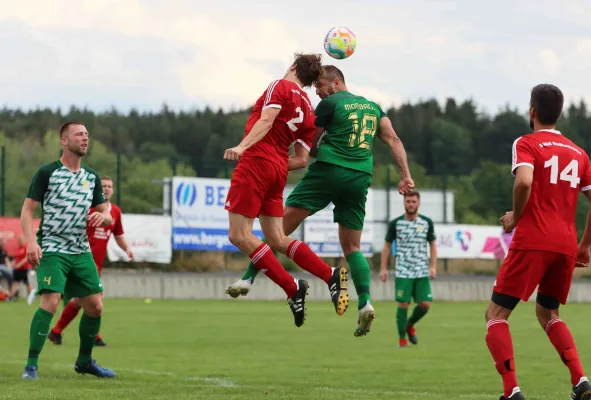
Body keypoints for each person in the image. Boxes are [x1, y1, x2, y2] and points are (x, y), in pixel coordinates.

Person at [225, 65, 414, 336]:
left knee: (280, 230)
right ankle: (366, 304)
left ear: (336, 83)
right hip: (360, 176)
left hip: (328, 171)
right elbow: (393, 139)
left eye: (321, 88)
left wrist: (277, 155)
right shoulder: (374, 107)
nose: (319, 94)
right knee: (352, 247)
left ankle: (249, 278)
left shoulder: (330, 104)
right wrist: (405, 176)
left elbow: (310, 147)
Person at [223, 53, 348, 328]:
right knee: (277, 237)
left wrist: (243, 148)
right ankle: (329, 274)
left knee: (238, 234)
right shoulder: (308, 107)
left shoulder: (279, 86)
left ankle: (292, 289)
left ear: (292, 68)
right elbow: (303, 160)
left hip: (256, 163)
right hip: (278, 170)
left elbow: (266, 121)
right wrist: (276, 163)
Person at [485, 84, 591, 400]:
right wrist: (585, 246)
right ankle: (580, 381)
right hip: (565, 245)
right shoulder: (579, 153)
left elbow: (525, 181)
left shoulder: (527, 143)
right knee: (549, 314)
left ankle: (511, 391)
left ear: (532, 111)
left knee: (496, 315)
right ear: (558, 114)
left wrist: (516, 217)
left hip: (533, 240)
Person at [20, 121, 116, 380]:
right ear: (64, 140)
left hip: (80, 249)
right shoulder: (47, 172)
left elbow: (107, 214)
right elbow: (27, 210)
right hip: (52, 247)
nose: (85, 138)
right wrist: (31, 242)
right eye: (79, 134)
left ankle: (85, 362)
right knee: (50, 302)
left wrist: (102, 217)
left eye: (86, 134)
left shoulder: (91, 177)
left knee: (95, 305)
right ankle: (31, 365)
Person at [48, 175, 134, 347]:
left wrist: (127, 249)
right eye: (104, 186)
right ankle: (95, 337)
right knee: (96, 300)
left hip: (97, 264)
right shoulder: (87, 207)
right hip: (83, 261)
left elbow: (118, 234)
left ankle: (56, 332)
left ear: (113, 189)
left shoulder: (115, 212)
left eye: (110, 186)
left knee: (79, 302)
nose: (107, 188)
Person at [380, 191, 437, 348]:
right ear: (404, 203)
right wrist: (383, 268)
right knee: (403, 304)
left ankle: (410, 325)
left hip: (420, 269)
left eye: (413, 201)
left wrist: (433, 266)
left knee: (425, 304)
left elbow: (432, 244)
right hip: (403, 270)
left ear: (418, 203)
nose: (410, 204)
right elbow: (386, 246)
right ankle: (401, 339)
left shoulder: (426, 222)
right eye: (408, 201)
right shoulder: (396, 223)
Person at [9, 234, 36, 303]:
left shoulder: (26, 247)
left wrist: (19, 264)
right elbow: (15, 258)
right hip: (18, 269)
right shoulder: (18, 248)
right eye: (19, 240)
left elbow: (26, 258)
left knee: (24, 282)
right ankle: (11, 296)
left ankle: (32, 295)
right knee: (16, 282)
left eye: (21, 240)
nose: (19, 241)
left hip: (23, 268)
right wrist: (13, 263)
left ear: (24, 240)